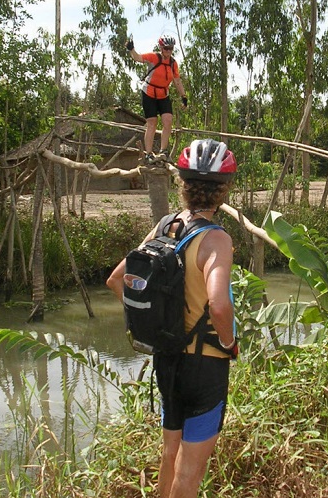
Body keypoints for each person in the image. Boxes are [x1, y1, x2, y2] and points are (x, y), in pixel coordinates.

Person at [106, 139, 237, 498]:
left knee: (170, 453)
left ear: (182, 185)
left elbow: (118, 280)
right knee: (190, 470)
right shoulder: (216, 239)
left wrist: (157, 323)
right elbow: (220, 305)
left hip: (167, 357)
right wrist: (228, 342)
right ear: (224, 189)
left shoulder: (165, 226)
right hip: (204, 365)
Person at [126, 35, 188, 163]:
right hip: (149, 93)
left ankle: (163, 151)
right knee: (152, 123)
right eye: (166, 48)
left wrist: (184, 96)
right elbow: (138, 58)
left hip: (163, 94)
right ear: (161, 47)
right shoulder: (154, 57)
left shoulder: (173, 63)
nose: (168, 51)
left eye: (171, 48)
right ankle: (149, 153)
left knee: (168, 120)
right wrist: (131, 49)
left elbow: (177, 80)